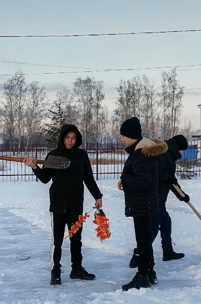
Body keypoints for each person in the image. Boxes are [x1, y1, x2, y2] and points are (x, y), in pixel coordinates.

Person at [23, 124, 103, 285]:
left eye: (73, 138)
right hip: (59, 204)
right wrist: (34, 167)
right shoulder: (54, 155)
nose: (70, 141)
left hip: (75, 204)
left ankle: (77, 269)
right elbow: (45, 178)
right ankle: (56, 271)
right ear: (62, 138)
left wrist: (97, 195)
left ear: (77, 139)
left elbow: (88, 178)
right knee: (57, 240)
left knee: (76, 238)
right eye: (67, 137)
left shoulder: (81, 155)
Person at [118, 116, 166, 290]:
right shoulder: (143, 151)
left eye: (123, 135)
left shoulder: (140, 154)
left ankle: (143, 275)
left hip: (143, 205)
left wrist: (125, 178)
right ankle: (150, 273)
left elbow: (142, 182)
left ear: (132, 136)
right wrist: (126, 181)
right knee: (145, 241)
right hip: (145, 204)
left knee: (143, 242)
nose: (121, 139)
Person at [130, 134, 190, 268]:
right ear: (178, 148)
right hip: (154, 196)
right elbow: (155, 171)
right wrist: (166, 177)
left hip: (159, 196)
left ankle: (167, 251)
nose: (182, 153)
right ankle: (139, 254)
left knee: (165, 222)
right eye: (183, 150)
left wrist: (182, 195)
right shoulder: (164, 155)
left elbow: (171, 180)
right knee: (153, 226)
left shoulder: (169, 156)